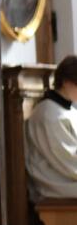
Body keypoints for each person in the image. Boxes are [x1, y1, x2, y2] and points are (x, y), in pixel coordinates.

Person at [25, 56, 77, 202]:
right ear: (66, 82)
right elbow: (67, 159)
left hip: (67, 176)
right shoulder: (49, 114)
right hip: (55, 181)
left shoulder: (67, 110)